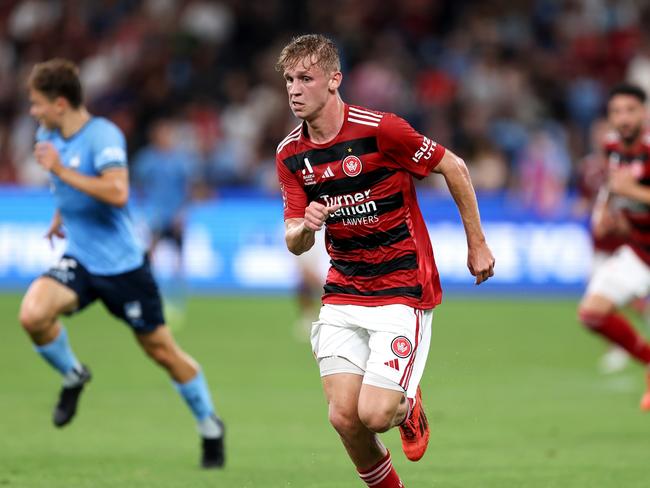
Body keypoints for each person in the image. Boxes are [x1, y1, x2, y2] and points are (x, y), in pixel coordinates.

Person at [275, 35, 495, 487]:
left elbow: (453, 166)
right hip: (344, 290)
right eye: (289, 80)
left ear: (334, 81)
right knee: (343, 419)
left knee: (374, 414)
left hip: (402, 286)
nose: (295, 90)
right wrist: (306, 227)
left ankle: (407, 403)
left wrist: (477, 244)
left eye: (306, 79)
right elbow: (293, 239)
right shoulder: (290, 155)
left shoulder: (382, 130)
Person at [18, 59, 225, 468]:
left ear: (60, 103)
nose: (32, 112)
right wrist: (61, 217)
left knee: (163, 352)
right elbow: (66, 186)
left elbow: (116, 192)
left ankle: (210, 425)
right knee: (33, 315)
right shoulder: (48, 134)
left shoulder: (102, 136)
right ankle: (74, 374)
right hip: (80, 259)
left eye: (37, 103)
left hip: (124, 267)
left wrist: (60, 170)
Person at [578, 83, 650, 410]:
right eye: (616, 112)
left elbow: (628, 188)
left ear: (644, 113)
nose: (623, 118)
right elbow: (613, 187)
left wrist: (632, 192)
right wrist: (608, 212)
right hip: (639, 251)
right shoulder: (613, 148)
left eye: (630, 110)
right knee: (592, 312)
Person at [132, 117, 196, 320]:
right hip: (156, 216)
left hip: (175, 216)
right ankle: (149, 296)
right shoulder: (147, 159)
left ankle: (177, 300)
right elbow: (139, 186)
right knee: (150, 256)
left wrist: (183, 213)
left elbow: (188, 189)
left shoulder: (180, 160)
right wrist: (144, 210)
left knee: (178, 259)